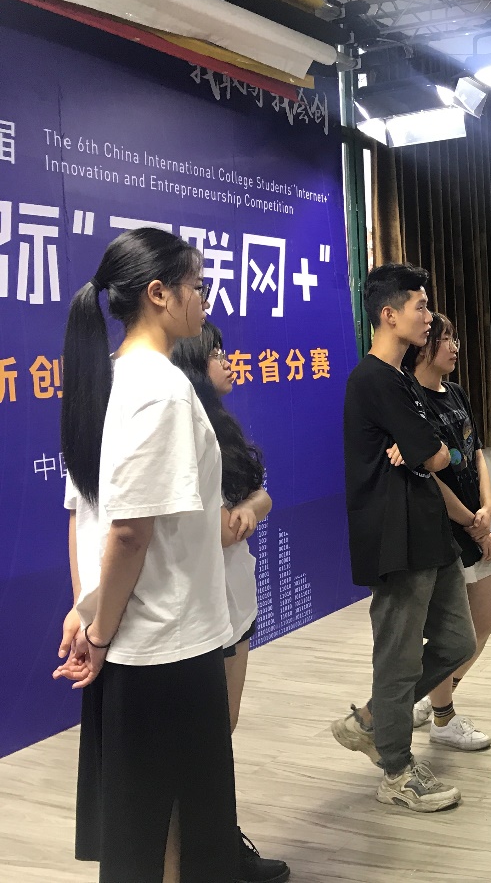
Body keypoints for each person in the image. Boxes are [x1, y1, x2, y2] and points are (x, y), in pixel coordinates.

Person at [55, 227, 238, 882]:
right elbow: (129, 532)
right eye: (198, 287)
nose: (204, 301)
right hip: (164, 642)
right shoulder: (157, 388)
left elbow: (89, 516)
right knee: (167, 824)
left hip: (144, 636)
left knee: (153, 822)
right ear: (158, 294)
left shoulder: (115, 379)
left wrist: (87, 612)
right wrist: (100, 631)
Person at [329, 263, 477, 813]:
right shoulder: (371, 379)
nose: (429, 316)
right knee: (397, 659)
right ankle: (396, 771)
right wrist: (430, 451)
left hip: (430, 531)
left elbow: (440, 452)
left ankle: (373, 719)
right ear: (388, 314)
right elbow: (433, 455)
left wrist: (431, 451)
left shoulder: (401, 381)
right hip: (395, 538)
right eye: (420, 306)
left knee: (458, 643)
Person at [171, 322, 289, 883]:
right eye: (216, 352)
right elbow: (218, 527)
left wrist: (251, 508)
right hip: (199, 606)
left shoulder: (222, 425)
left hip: (234, 597)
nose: (228, 360)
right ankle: (208, 850)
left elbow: (259, 496)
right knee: (205, 738)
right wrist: (244, 512)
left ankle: (218, 842)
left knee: (224, 728)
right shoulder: (181, 427)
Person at [387, 314, 491, 752]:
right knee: (451, 634)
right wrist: (472, 524)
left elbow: (476, 453)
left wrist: (487, 508)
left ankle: (434, 696)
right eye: (445, 338)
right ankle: (442, 716)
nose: (454, 346)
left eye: (455, 337)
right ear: (422, 346)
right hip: (445, 530)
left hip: (477, 519)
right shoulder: (411, 401)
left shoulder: (456, 393)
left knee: (484, 624)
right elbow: (428, 477)